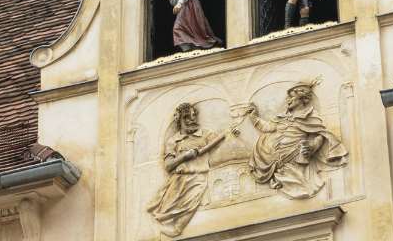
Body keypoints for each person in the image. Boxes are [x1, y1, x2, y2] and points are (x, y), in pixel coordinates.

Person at [245, 80, 347, 199]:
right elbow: (269, 128)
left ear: (301, 98)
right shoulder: (282, 117)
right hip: (278, 165)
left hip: (296, 162)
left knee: (303, 187)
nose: (288, 100)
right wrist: (254, 117)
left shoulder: (310, 116)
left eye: (291, 97)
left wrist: (312, 147)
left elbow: (319, 135)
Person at [146, 103, 228, 237]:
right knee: (163, 211)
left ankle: (177, 228)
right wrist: (184, 156)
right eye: (187, 118)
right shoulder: (173, 141)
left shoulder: (206, 134)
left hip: (198, 177)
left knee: (191, 202)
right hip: (178, 180)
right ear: (180, 120)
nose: (193, 120)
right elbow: (168, 166)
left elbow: (222, 141)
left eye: (194, 116)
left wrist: (233, 134)